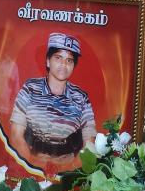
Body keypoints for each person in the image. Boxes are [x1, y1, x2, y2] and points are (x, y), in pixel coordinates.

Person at [10, 33, 97, 171]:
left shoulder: (81, 97)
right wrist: (33, 167)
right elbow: (16, 134)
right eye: (58, 58)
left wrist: (69, 171)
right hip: (30, 163)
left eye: (69, 60)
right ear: (48, 61)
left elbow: (89, 143)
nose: (64, 65)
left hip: (67, 168)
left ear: (74, 65)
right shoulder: (30, 89)